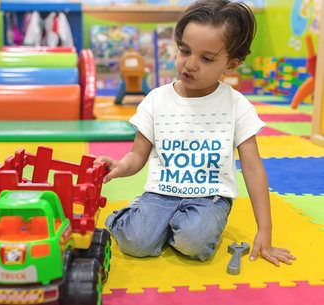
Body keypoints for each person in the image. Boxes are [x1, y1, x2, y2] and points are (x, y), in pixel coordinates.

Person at [96, 0, 295, 266]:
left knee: (194, 242)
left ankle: (170, 226)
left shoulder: (237, 106)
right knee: (135, 242)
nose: (190, 64)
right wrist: (120, 166)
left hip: (209, 198)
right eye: (184, 51)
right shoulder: (156, 100)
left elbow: (253, 169)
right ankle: (136, 216)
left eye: (206, 58)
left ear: (231, 64)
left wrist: (265, 230)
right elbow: (137, 154)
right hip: (161, 193)